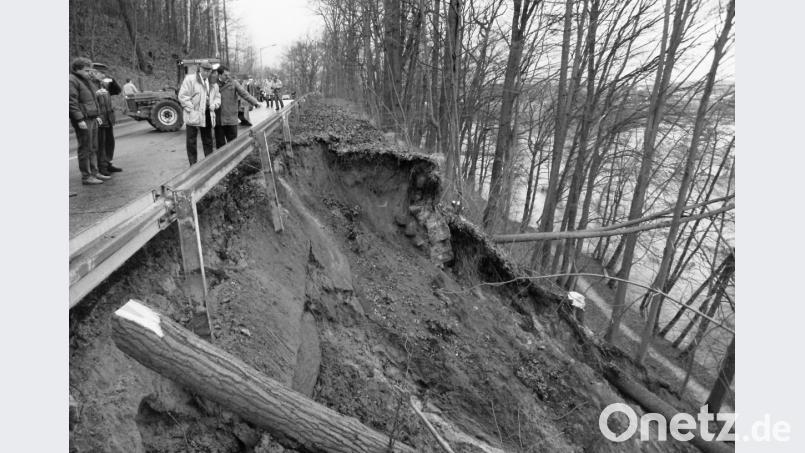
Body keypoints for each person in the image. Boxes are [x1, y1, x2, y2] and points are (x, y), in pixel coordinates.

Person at [69, 57, 109, 185]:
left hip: (91, 117)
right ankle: (86, 176)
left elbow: (92, 99)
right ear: (77, 69)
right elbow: (71, 102)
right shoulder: (72, 80)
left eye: (89, 70)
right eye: (86, 70)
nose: (89, 73)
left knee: (93, 147)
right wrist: (79, 119)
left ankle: (94, 172)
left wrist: (96, 115)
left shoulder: (85, 80)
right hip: (83, 119)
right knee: (85, 148)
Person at [178, 62, 221, 165]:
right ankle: (193, 164)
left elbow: (217, 97)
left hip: (207, 113)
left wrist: (214, 105)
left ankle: (209, 162)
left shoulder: (213, 83)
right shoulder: (190, 79)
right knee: (191, 141)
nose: (206, 73)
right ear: (200, 69)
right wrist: (191, 108)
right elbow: (183, 96)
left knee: (208, 139)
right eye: (204, 70)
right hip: (193, 114)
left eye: (208, 71)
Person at [214, 65, 261, 148]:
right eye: (225, 75)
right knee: (220, 147)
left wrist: (255, 102)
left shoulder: (233, 83)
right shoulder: (213, 84)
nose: (228, 77)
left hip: (231, 119)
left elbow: (244, 93)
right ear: (219, 75)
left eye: (229, 74)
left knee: (233, 145)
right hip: (219, 121)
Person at [95, 75, 123, 175]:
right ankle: (101, 167)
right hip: (99, 119)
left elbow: (117, 91)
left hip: (108, 118)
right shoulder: (91, 85)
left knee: (110, 143)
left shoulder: (105, 84)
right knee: (100, 144)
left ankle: (108, 163)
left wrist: (112, 80)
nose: (100, 74)